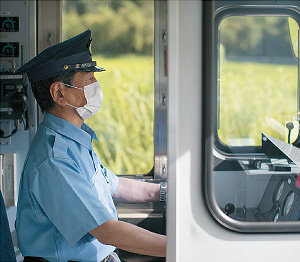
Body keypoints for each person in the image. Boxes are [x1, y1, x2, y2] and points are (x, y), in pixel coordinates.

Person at [15, 29, 167, 262]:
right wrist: (178, 247)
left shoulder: (72, 141)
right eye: (88, 79)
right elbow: (108, 231)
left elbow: (115, 186)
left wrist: (164, 192)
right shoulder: (55, 159)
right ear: (59, 93)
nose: (96, 84)